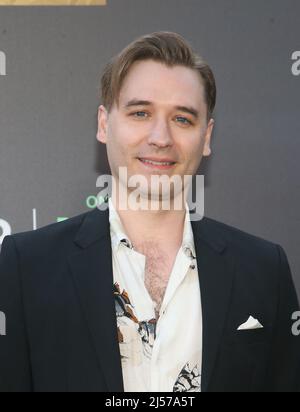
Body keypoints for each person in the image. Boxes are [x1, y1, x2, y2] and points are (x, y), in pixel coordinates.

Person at [0, 31, 299, 393]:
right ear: (104, 124)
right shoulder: (27, 267)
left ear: (206, 137)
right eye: (141, 113)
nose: (160, 137)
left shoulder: (264, 270)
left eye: (183, 119)